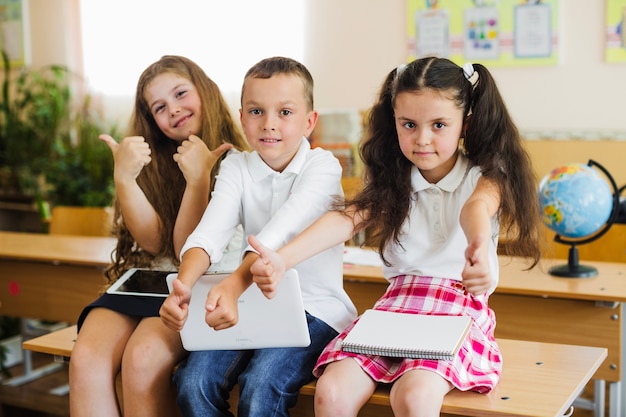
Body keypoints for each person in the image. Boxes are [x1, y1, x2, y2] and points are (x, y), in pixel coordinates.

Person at [248, 57, 542, 417]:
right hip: (395, 306)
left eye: (438, 125)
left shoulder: (487, 174)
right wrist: (282, 259)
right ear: (394, 123)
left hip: (456, 309)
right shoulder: (393, 178)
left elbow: (477, 208)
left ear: (465, 125)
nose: (422, 139)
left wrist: (478, 244)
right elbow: (345, 220)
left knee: (414, 397)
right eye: (409, 124)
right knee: (331, 391)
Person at [159, 56, 357, 417]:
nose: (269, 125)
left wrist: (234, 287)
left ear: (309, 121)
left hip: (317, 310)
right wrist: (183, 287)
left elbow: (278, 233)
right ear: (241, 116)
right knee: (192, 383)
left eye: (285, 112)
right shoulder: (236, 166)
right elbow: (209, 232)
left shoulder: (323, 166)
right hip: (251, 307)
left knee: (261, 386)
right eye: (256, 111)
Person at [69, 55, 250, 417]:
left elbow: (189, 251)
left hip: (196, 285)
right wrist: (125, 179)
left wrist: (198, 180)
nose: (174, 110)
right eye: (160, 107)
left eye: (181, 93)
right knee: (85, 358)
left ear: (207, 91)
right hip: (149, 280)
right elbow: (152, 243)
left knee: (142, 359)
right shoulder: (154, 161)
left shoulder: (240, 161)